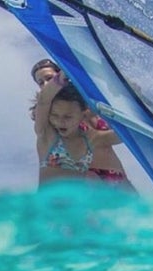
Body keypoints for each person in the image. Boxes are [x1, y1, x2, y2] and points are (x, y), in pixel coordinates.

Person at [30, 59, 133, 188]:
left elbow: (124, 134)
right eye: (40, 82)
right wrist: (62, 76)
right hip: (83, 184)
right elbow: (44, 100)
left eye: (49, 78)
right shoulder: (48, 126)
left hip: (111, 176)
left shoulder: (88, 108)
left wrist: (127, 92)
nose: (45, 84)